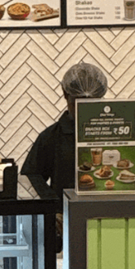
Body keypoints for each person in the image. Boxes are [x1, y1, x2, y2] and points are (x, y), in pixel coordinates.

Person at [21, 62, 109, 201]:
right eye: (78, 103)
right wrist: (52, 206)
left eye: (90, 104)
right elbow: (31, 176)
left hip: (107, 214)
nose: (83, 110)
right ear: (65, 94)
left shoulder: (111, 133)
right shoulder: (51, 137)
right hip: (64, 217)